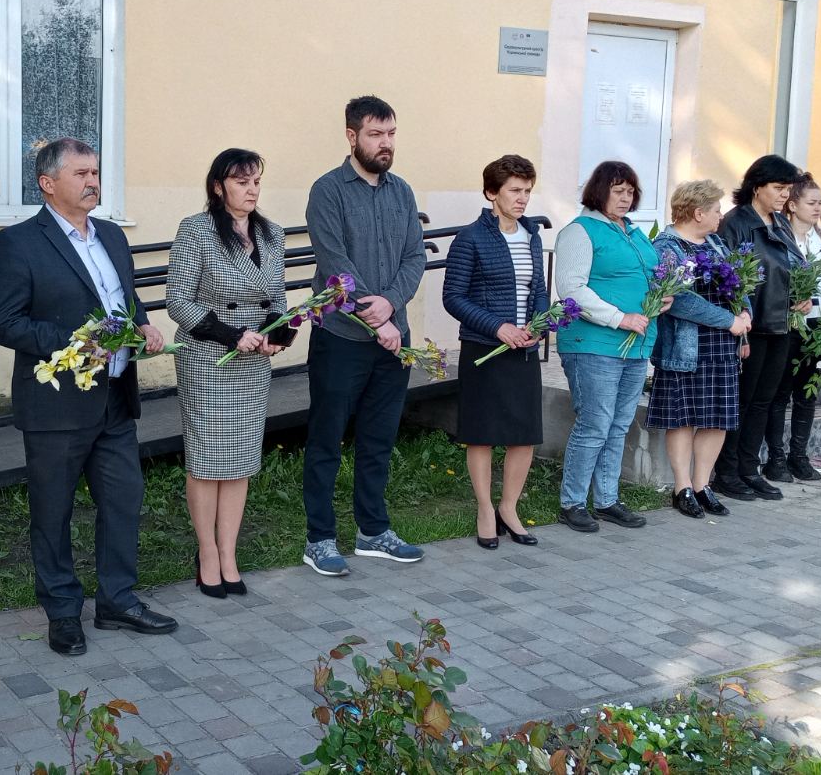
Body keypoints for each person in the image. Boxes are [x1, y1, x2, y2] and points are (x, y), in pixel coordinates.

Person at [0, 137, 177, 654]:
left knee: (123, 501)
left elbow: (124, 300)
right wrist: (77, 342)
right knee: (53, 512)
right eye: (81, 174)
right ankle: (63, 612)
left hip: (114, 397)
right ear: (48, 184)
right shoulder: (17, 243)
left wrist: (143, 324)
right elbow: (3, 323)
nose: (93, 182)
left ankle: (117, 601)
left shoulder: (111, 235)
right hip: (57, 405)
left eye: (96, 172)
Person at [300, 95, 427, 576]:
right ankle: (319, 539)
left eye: (391, 133)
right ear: (352, 136)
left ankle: (373, 531)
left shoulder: (402, 192)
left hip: (393, 337)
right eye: (375, 134)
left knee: (378, 439)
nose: (385, 143)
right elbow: (336, 265)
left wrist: (391, 304)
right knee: (326, 440)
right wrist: (378, 319)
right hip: (341, 338)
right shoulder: (327, 191)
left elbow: (415, 257)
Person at [165, 149, 294, 596]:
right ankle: (206, 554)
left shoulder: (273, 233)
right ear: (218, 187)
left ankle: (229, 554)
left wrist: (279, 332)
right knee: (207, 462)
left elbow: (277, 298)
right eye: (242, 181)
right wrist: (230, 334)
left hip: (253, 364)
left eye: (256, 180)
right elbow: (178, 301)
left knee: (239, 462)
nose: (252, 189)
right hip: (209, 360)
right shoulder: (196, 230)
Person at [551, 161, 664, 533]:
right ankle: (572, 502)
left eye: (630, 191)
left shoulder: (633, 232)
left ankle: (606, 500)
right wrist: (620, 318)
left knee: (618, 425)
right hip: (594, 343)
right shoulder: (580, 231)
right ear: (599, 191)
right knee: (595, 424)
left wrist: (662, 297)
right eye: (618, 191)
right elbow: (571, 288)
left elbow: (649, 276)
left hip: (634, 346)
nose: (626, 198)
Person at [442, 154, 546, 549]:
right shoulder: (471, 238)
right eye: (514, 191)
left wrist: (538, 325)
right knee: (482, 435)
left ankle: (509, 508)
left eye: (527, 191)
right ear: (491, 193)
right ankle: (485, 509)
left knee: (524, 435)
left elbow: (538, 289)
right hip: (484, 348)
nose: (522, 199)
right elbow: (453, 297)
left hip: (523, 350)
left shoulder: (532, 235)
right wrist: (498, 327)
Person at [645, 180, 751, 519]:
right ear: (698, 212)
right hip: (686, 347)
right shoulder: (667, 247)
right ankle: (682, 487)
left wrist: (746, 313)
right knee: (683, 419)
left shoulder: (717, 243)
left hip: (722, 345)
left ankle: (704, 485)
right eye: (717, 210)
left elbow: (740, 283)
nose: (721, 216)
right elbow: (679, 302)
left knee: (716, 419)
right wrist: (729, 320)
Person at [710, 155, 806, 502]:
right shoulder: (736, 223)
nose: (785, 195)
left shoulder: (780, 223)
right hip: (751, 326)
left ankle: (750, 469)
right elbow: (727, 278)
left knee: (763, 401)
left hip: (780, 325)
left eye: (788, 189)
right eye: (778, 188)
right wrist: (741, 327)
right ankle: (727, 472)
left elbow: (793, 267)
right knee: (741, 400)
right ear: (757, 186)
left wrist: (803, 296)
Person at [764, 175, 821, 482]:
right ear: (792, 205)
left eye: (820, 203)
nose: (817, 208)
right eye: (811, 203)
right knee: (779, 392)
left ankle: (798, 455)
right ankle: (775, 457)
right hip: (788, 324)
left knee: (807, 392)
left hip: (819, 324)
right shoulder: (779, 237)